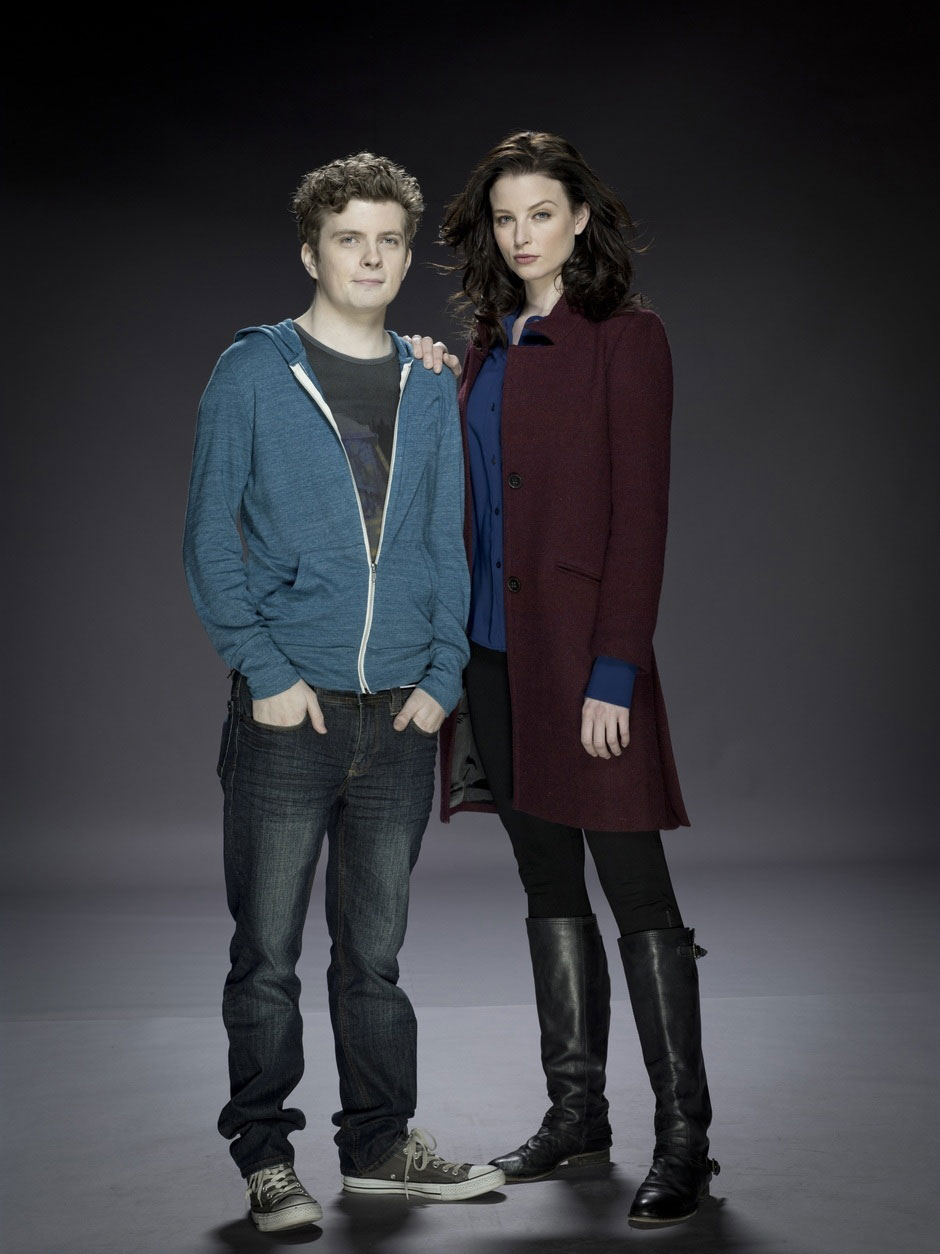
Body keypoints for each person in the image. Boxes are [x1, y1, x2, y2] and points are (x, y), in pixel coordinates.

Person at [182, 151, 505, 1234]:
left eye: (387, 242)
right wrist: (265, 672)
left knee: (373, 957)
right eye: (348, 239)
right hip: (290, 715)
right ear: (311, 251)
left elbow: (448, 545)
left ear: (406, 259)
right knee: (266, 959)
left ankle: (378, 1148)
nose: (369, 257)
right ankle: (267, 1161)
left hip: (399, 718)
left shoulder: (430, 380)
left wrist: (443, 677)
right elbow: (206, 540)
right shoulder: (252, 371)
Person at [415, 130, 719, 1228]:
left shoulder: (627, 339)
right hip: (492, 659)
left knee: (636, 890)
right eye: (504, 218)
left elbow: (641, 518)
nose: (521, 234)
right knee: (546, 883)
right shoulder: (485, 347)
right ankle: (577, 1114)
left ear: (580, 218)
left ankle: (684, 1140)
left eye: (540, 212)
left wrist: (614, 671)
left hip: (583, 661)